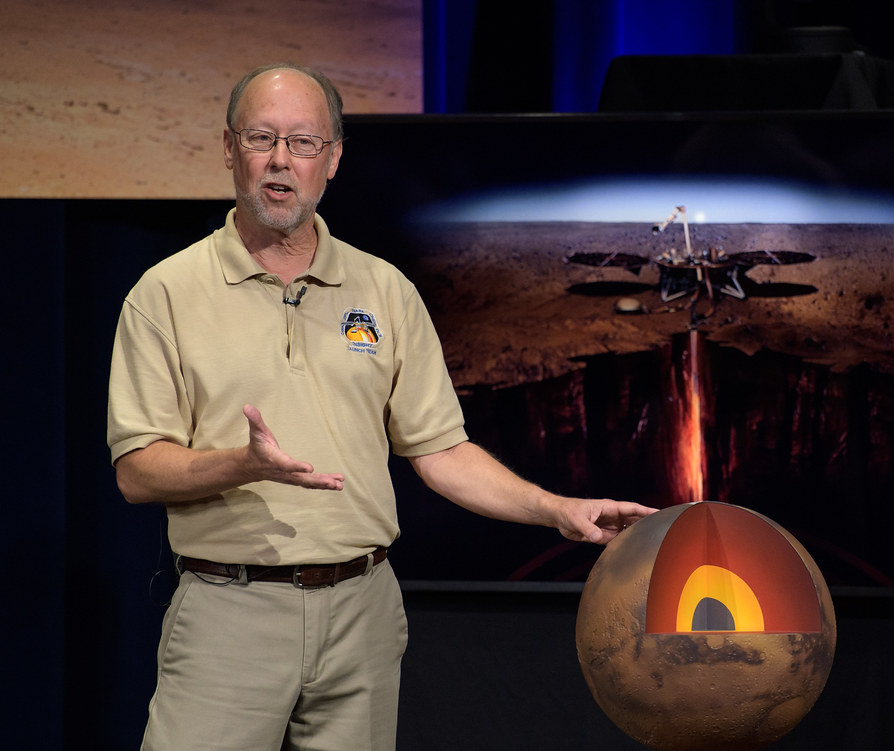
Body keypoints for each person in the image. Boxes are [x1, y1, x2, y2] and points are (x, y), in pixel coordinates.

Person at [107, 62, 656, 751]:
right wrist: (241, 464)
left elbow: (439, 450)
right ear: (228, 150)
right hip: (230, 611)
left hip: (361, 611)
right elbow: (138, 470)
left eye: (304, 142)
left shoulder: (384, 289)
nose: (281, 161)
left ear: (332, 159)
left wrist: (554, 508)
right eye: (262, 138)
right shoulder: (165, 294)